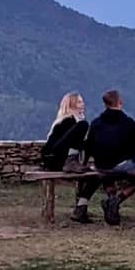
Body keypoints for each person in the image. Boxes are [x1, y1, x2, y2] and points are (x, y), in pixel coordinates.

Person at [86, 89, 135, 225]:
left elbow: (89, 145)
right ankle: (117, 200)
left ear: (105, 104)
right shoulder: (128, 122)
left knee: (106, 175)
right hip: (122, 164)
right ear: (120, 102)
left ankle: (111, 197)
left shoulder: (95, 123)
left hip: (101, 165)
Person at [40, 92, 95, 223]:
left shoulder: (68, 121)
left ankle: (81, 208)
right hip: (55, 158)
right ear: (72, 104)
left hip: (54, 158)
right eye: (80, 102)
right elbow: (62, 145)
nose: (83, 104)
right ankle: (70, 161)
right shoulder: (69, 121)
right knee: (84, 125)